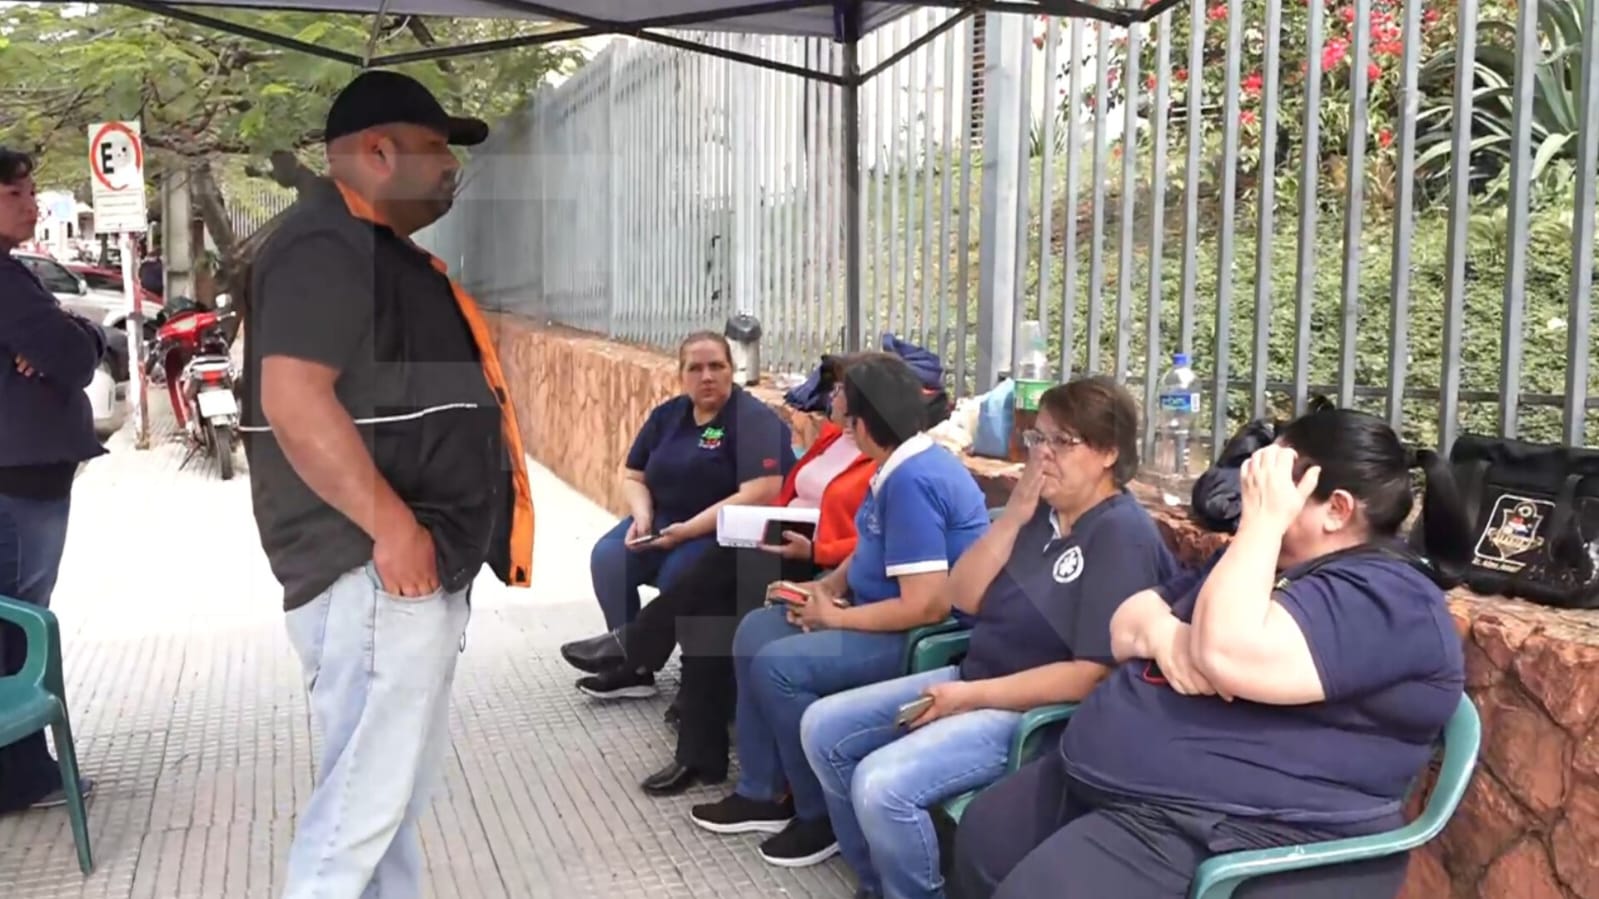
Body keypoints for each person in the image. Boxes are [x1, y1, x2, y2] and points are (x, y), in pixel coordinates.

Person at [950, 408, 1473, 899]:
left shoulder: (1387, 598)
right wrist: (1169, 637)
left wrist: (1261, 527)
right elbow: (1125, 621)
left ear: (1335, 509)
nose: (1249, 497)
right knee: (983, 837)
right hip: (1121, 785)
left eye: (1271, 486)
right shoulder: (1263, 567)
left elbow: (1227, 652)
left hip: (1227, 826)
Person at [239, 70, 535, 899]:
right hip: (371, 570)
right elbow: (293, 396)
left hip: (403, 572)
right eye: (437, 145)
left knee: (386, 803)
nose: (451, 165)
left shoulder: (374, 249)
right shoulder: (324, 244)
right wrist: (394, 528)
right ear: (377, 151)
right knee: (357, 814)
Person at [800, 377, 1177, 899]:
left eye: (1062, 443)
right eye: (1037, 439)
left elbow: (1093, 676)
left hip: (1032, 716)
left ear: (1109, 452)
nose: (1043, 456)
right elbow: (964, 596)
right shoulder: (1040, 513)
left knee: (881, 786)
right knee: (823, 728)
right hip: (973, 676)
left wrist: (970, 698)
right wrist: (1016, 514)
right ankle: (880, 882)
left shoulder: (1120, 535)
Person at [690, 353, 990, 869]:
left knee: (780, 666)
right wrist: (825, 587)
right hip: (875, 610)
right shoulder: (892, 466)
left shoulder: (915, 480)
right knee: (757, 630)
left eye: (843, 405)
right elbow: (870, 546)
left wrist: (833, 617)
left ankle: (819, 814)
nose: (833, 406)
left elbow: (925, 604)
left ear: (865, 424)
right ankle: (762, 791)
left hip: (915, 637)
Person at [561, 354, 876, 794]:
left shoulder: (879, 460)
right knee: (708, 604)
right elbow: (787, 494)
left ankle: (638, 644)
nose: (830, 396)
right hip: (783, 542)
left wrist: (818, 547)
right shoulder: (831, 440)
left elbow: (870, 540)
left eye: (840, 390)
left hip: (820, 560)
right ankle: (698, 755)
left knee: (710, 572)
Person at [581, 330, 794, 696]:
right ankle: (634, 666)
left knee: (681, 573)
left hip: (722, 532)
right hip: (663, 521)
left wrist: (689, 530)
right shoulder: (668, 415)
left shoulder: (754, 419)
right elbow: (634, 475)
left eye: (716, 366)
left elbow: (762, 491)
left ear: (732, 370)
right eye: (695, 368)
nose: (706, 376)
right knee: (609, 557)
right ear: (681, 375)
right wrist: (643, 517)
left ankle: (693, 677)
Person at [0, 147, 105, 814]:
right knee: (19, 619)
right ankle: (21, 773)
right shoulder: (4, 280)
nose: (33, 205)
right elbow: (69, 356)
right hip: (19, 481)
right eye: (17, 194)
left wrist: (70, 334)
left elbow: (60, 349)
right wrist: (80, 335)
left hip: (23, 472)